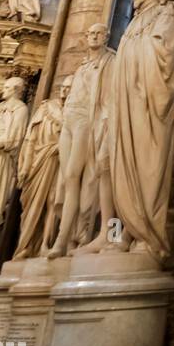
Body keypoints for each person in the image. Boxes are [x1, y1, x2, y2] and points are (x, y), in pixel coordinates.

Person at [109, 0, 174, 260]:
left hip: (148, 102)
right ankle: (124, 229)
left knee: (147, 163)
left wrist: (134, 63)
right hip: (128, 101)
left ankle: (148, 235)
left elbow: (165, 55)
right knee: (122, 163)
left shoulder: (165, 15)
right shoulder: (134, 22)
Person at [47, 23, 115, 257]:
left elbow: (111, 97)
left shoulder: (110, 61)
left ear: (106, 36)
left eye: (99, 33)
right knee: (66, 180)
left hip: (88, 120)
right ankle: (66, 240)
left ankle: (64, 239)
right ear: (85, 37)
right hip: (70, 120)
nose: (94, 36)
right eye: (90, 33)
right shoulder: (82, 66)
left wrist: (105, 123)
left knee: (75, 176)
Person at [15, 78, 71, 259]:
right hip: (39, 162)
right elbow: (31, 138)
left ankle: (46, 243)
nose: (65, 92)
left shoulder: (76, 110)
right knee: (32, 204)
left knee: (54, 201)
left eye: (69, 88)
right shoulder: (46, 109)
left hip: (61, 161)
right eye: (63, 87)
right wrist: (24, 166)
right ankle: (26, 245)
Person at [0, 77, 28, 272]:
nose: (4, 90)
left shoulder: (20, 109)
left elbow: (13, 138)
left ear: (17, 90)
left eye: (8, 87)